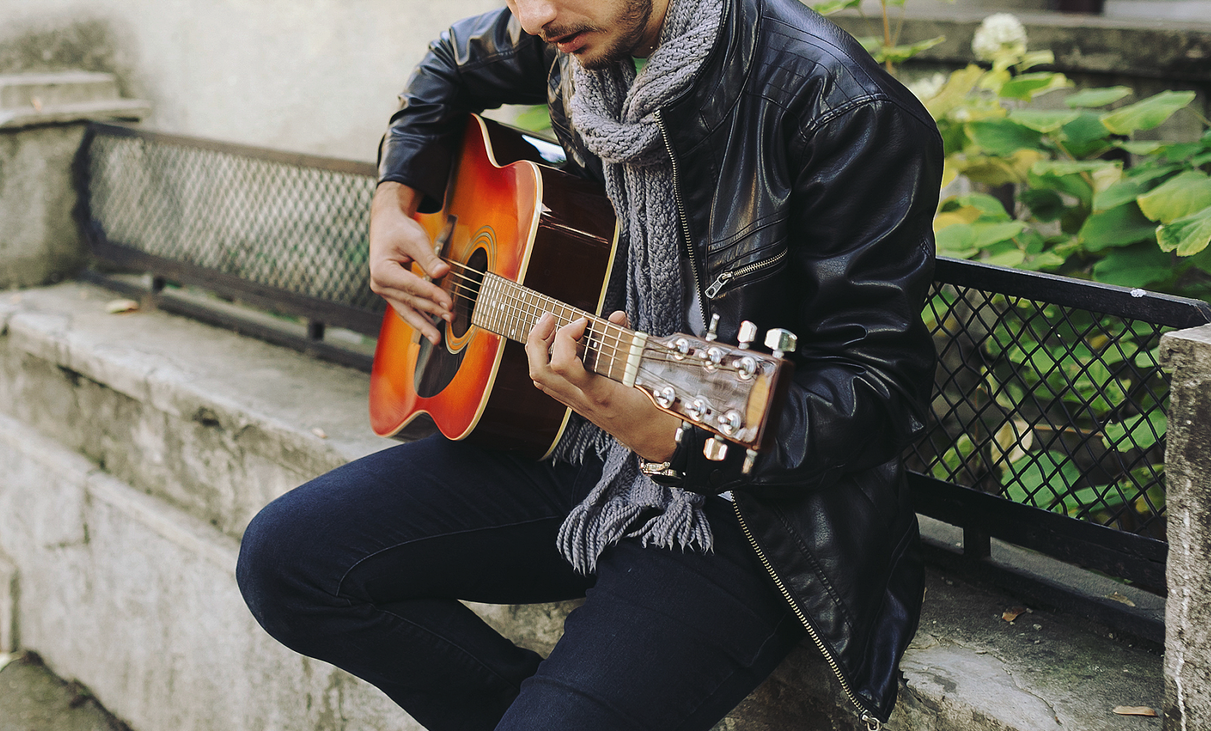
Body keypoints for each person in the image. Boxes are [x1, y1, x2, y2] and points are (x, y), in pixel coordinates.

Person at [237, 0, 943, 727]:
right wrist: (395, 203)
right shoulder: (577, 36)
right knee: (287, 562)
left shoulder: (839, 105)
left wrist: (672, 438)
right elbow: (448, 60)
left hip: (754, 514)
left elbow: (876, 390)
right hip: (587, 446)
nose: (536, 15)